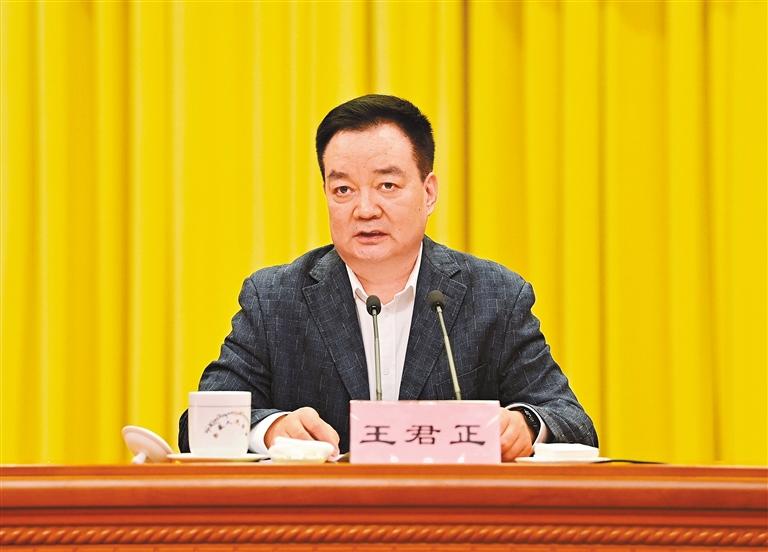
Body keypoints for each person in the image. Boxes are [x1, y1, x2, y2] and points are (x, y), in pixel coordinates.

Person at [178, 94, 597, 461]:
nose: (365, 209)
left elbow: (572, 422)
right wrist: (271, 429)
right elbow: (200, 423)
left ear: (428, 192)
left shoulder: (495, 296)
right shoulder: (274, 298)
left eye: (387, 185)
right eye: (343, 190)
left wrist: (526, 425)